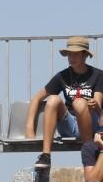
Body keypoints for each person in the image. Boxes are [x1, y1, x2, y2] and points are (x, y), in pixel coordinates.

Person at [27, 37, 103, 173]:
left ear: (85, 55)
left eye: (76, 53)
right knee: (53, 99)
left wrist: (92, 104)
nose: (71, 57)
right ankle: (45, 156)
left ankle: (89, 152)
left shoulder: (98, 75)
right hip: (70, 124)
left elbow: (98, 104)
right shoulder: (62, 76)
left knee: (79, 103)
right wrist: (29, 127)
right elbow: (37, 98)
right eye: (69, 53)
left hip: (90, 121)